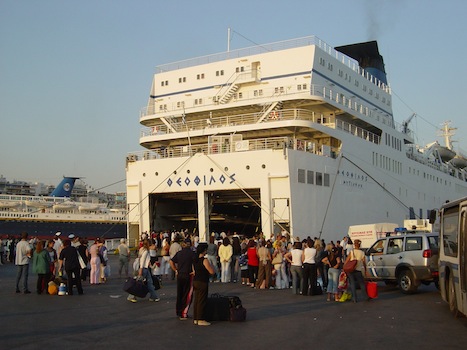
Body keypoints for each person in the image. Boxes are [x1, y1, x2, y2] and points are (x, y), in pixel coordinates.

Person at [127, 238, 160, 303]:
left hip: (144, 268)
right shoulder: (146, 251)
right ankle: (132, 296)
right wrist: (141, 270)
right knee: (140, 283)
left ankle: (153, 296)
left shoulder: (142, 249)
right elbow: (142, 261)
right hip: (144, 269)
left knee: (148, 282)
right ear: (149, 245)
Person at [170, 238, 195, 320]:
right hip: (188, 274)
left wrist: (175, 269)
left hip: (180, 274)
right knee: (187, 294)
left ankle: (179, 311)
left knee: (180, 293)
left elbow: (171, 261)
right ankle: (184, 313)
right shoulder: (192, 253)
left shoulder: (179, 253)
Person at [193, 242, 215, 326]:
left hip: (196, 280)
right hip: (202, 281)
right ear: (204, 250)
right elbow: (211, 271)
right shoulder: (204, 260)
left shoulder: (195, 259)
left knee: (197, 300)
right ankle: (201, 318)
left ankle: (196, 318)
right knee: (202, 300)